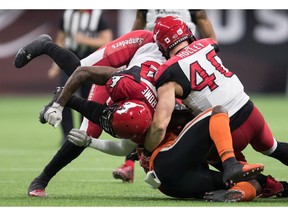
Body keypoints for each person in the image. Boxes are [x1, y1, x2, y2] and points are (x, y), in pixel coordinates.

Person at [144, 15, 288, 200]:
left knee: (205, 149)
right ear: (188, 33)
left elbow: (160, 125)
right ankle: (270, 185)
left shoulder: (168, 72)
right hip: (251, 113)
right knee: (274, 148)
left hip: (227, 129)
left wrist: (148, 150)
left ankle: (242, 175)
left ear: (162, 45)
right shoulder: (206, 44)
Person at [113, 9, 217, 183]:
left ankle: (182, 162)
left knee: (177, 116)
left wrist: (209, 56)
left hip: (182, 62)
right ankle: (130, 163)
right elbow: (138, 26)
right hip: (152, 58)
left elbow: (204, 23)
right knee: (141, 111)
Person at [47, 9, 113, 146]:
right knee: (63, 93)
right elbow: (61, 39)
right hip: (69, 58)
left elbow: (106, 40)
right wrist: (55, 64)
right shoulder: (68, 14)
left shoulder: (98, 15)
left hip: (90, 59)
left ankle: (84, 133)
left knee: (88, 98)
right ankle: (67, 134)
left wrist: (85, 40)